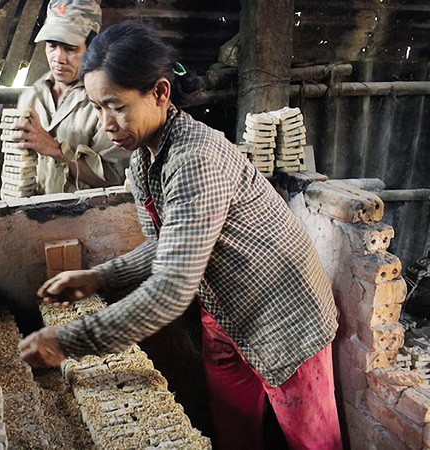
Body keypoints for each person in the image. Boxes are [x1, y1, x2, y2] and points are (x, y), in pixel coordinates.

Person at [19, 21, 342, 450]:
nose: (106, 123)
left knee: (312, 442)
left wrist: (69, 340)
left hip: (284, 317)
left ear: (160, 93)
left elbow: (171, 289)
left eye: (115, 106)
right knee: (234, 434)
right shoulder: (143, 161)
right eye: (96, 108)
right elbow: (165, 246)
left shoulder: (196, 159)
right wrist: (99, 277)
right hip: (226, 315)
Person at [2, 0, 129, 196]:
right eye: (52, 45)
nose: (58, 58)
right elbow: (18, 175)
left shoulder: (105, 101)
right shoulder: (32, 97)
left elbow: (117, 184)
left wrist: (55, 150)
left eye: (70, 48)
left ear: (92, 46)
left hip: (88, 220)